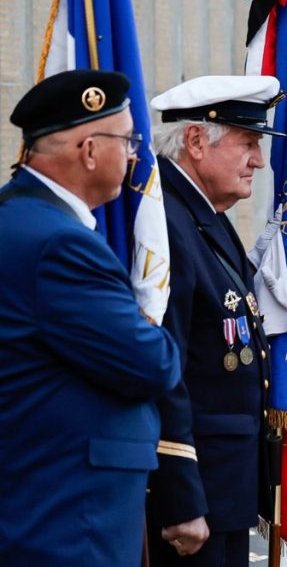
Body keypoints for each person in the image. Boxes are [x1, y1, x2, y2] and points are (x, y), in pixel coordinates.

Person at [0, 70, 181, 565]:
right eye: (128, 141)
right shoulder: (59, 243)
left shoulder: (26, 219)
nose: (135, 155)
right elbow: (153, 363)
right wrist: (147, 331)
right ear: (88, 151)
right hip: (65, 515)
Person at [146, 75, 285, 566]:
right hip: (193, 492)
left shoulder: (204, 213)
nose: (260, 160)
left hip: (223, 486)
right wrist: (180, 496)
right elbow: (165, 369)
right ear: (196, 140)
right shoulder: (164, 221)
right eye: (248, 143)